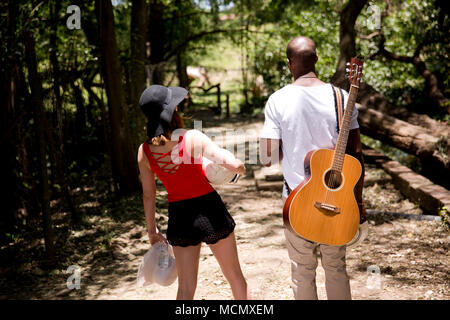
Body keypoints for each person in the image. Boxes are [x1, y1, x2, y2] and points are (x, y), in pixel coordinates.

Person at [259, 36, 366, 300]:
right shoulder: (341, 97)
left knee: (302, 272)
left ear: (288, 64)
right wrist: (359, 204)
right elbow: (356, 155)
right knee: (336, 269)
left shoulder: (277, 100)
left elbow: (266, 156)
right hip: (337, 203)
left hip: (297, 202)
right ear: (317, 59)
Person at [137, 85, 249, 300]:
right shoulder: (191, 137)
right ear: (173, 110)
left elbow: (148, 195)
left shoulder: (144, 151)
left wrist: (152, 230)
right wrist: (238, 166)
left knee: (186, 289)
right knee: (235, 277)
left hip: (180, 217)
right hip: (210, 209)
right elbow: (224, 159)